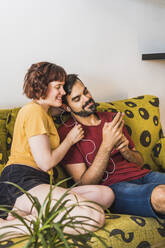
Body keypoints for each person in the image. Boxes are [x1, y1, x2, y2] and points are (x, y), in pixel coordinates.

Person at [0, 62, 115, 239]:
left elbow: (64, 107)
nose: (63, 92)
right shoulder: (33, 111)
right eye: (58, 87)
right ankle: (10, 227)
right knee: (94, 215)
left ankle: (21, 214)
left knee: (105, 195)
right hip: (21, 183)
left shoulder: (44, 112)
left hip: (39, 182)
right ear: (41, 87)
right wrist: (69, 140)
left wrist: (67, 105)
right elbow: (45, 162)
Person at [58, 73, 165, 219]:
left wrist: (125, 150)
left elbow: (139, 162)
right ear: (67, 107)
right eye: (77, 99)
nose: (86, 98)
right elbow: (84, 184)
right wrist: (106, 145)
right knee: (162, 195)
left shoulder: (111, 118)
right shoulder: (68, 133)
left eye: (86, 92)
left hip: (143, 175)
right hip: (114, 187)